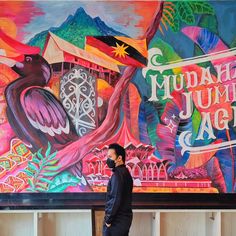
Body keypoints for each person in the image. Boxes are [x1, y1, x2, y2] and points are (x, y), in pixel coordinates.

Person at [103, 143, 133, 236]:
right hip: (123, 219)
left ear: (119, 158)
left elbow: (115, 199)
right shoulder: (125, 172)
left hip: (116, 221)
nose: (108, 159)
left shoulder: (117, 175)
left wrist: (108, 220)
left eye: (110, 156)